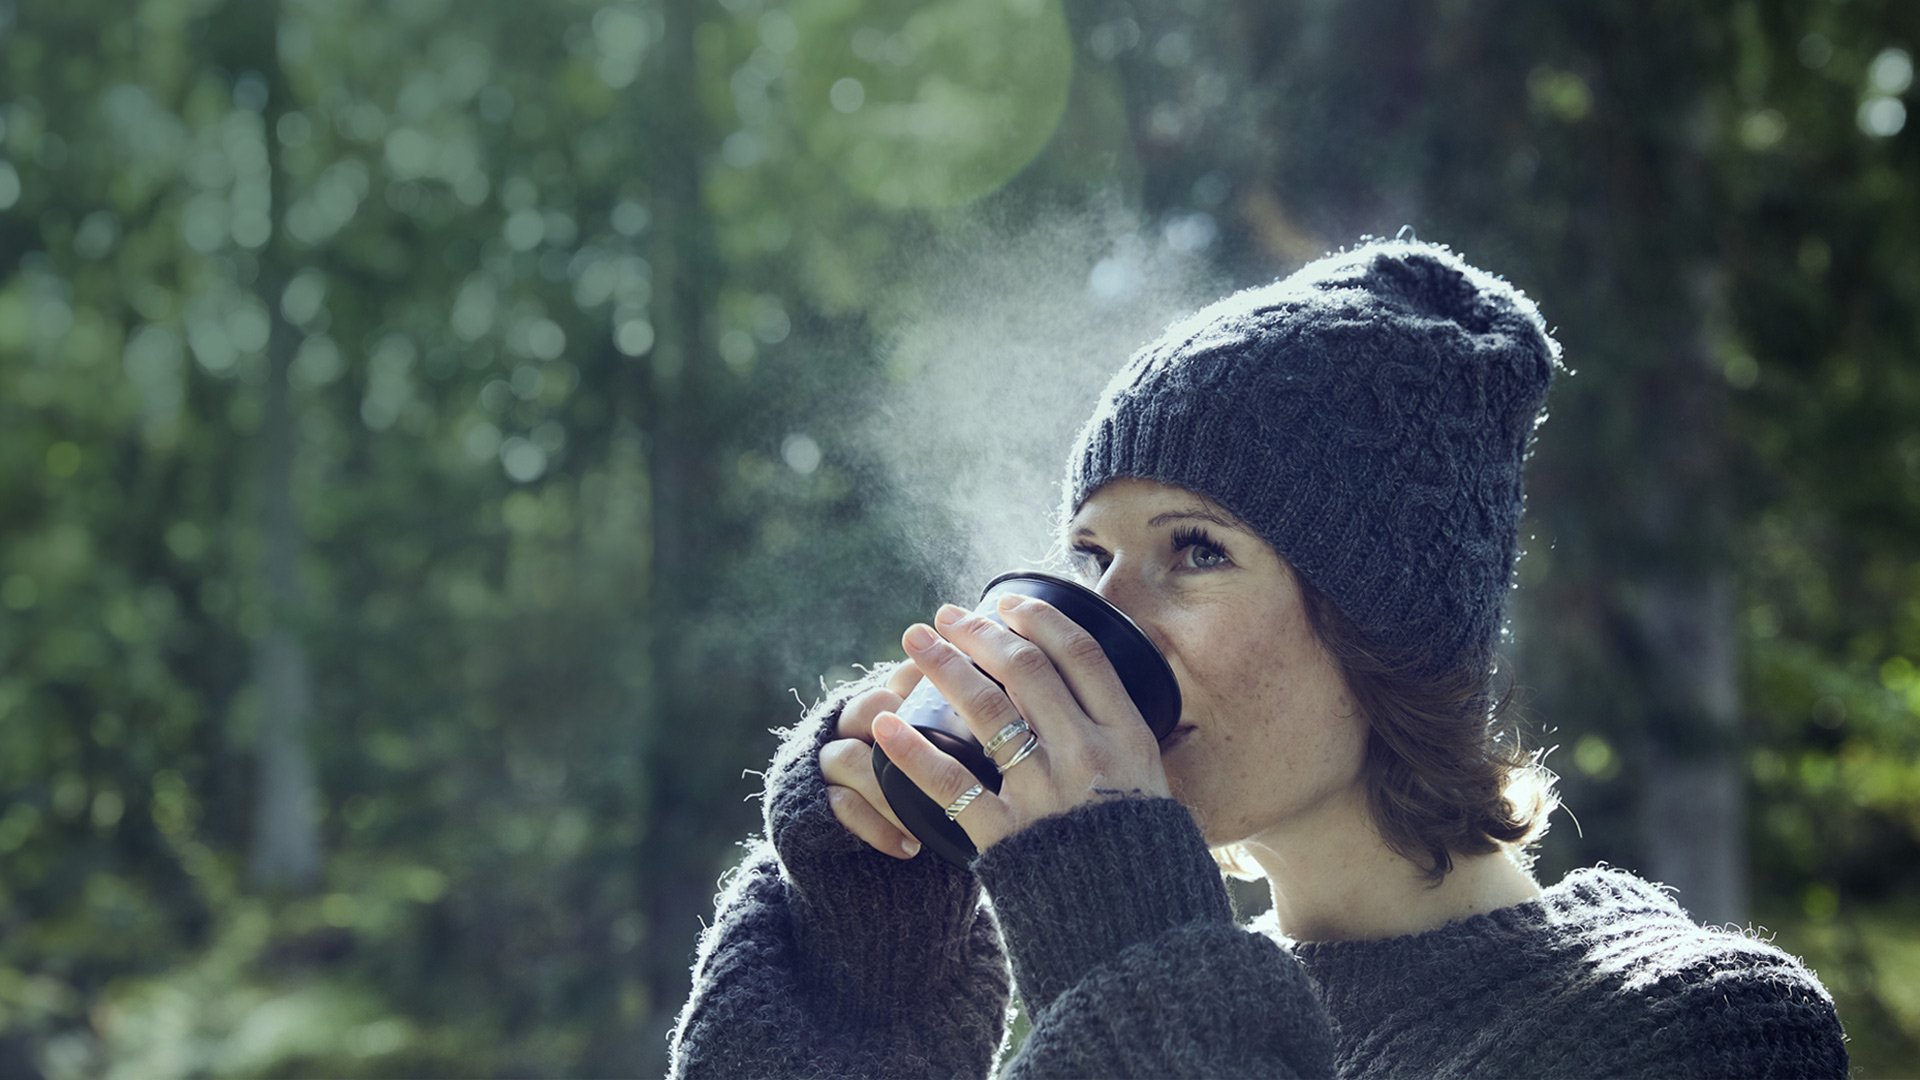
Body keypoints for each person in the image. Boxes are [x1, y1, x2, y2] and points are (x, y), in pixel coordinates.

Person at [667, 239, 1849, 1078]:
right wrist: (870, 960)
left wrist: (1125, 940)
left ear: (1381, 624)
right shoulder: (1144, 985)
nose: (1095, 621)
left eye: (1195, 550)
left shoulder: (1696, 1030)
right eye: (1087, 555)